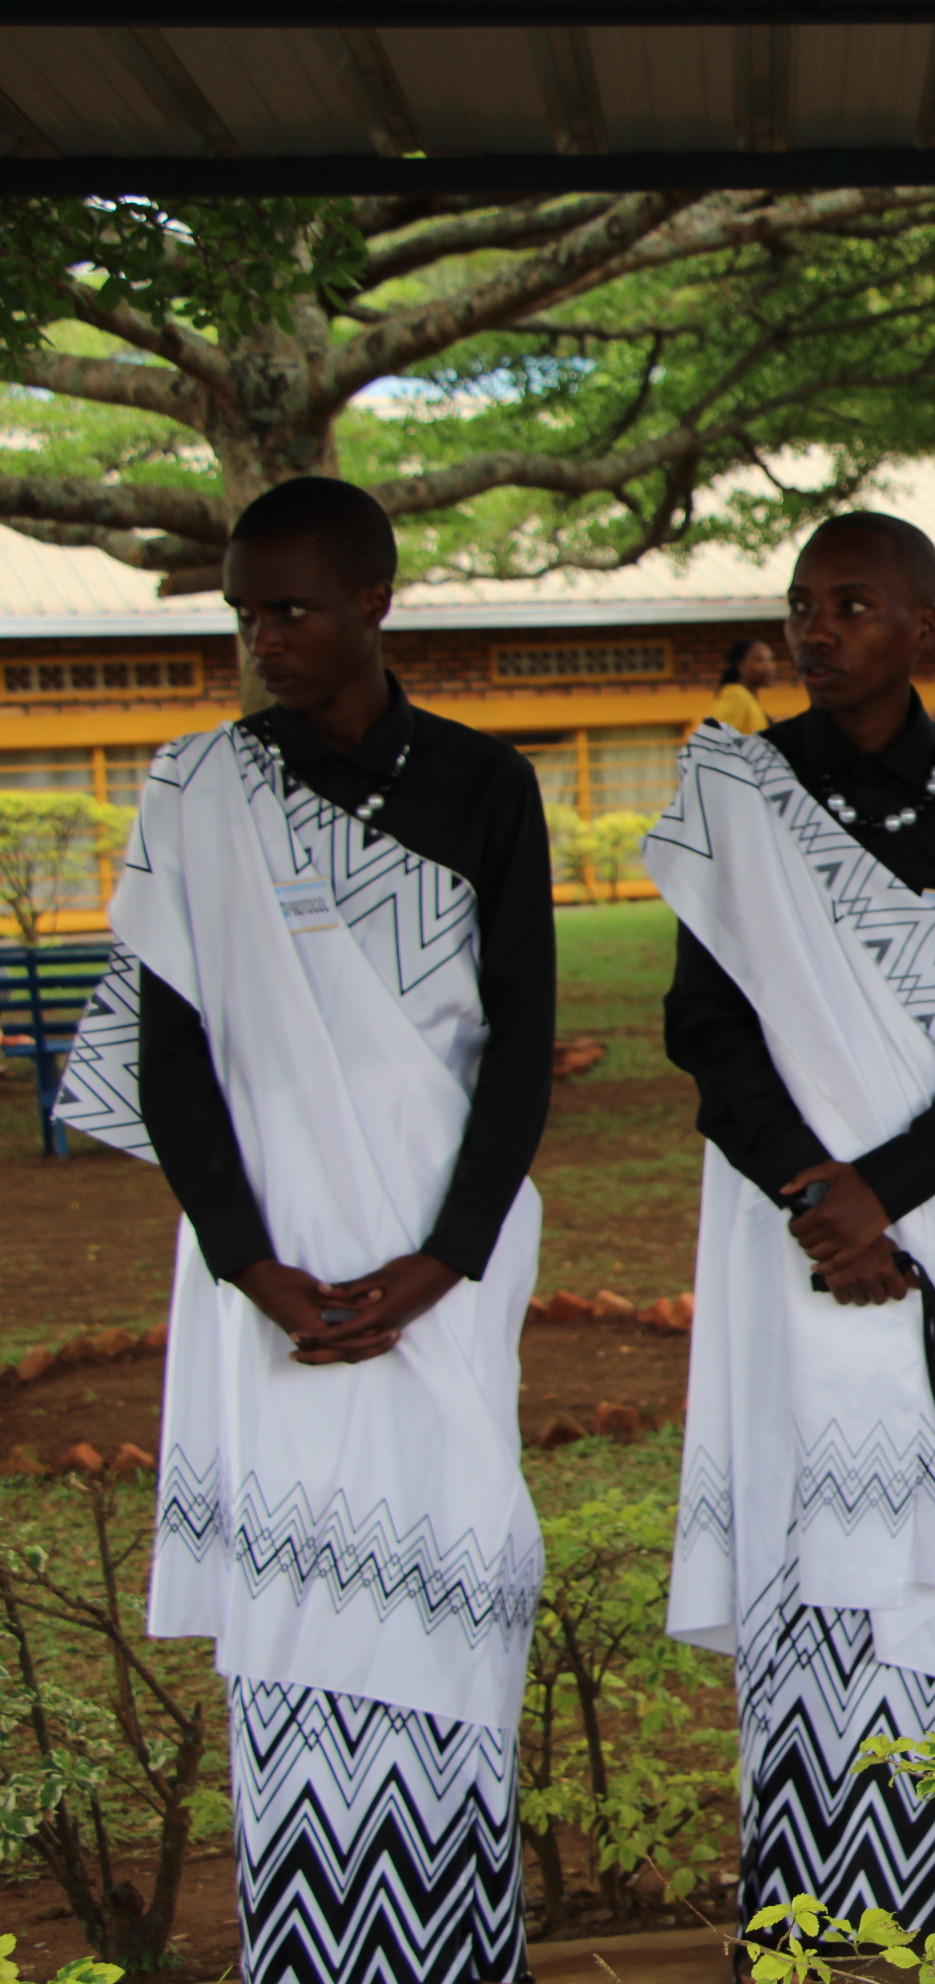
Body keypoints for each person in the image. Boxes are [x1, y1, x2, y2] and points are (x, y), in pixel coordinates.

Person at [50, 477, 554, 1984]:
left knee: (449, 1562)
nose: (264, 639)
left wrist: (440, 1263)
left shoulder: (483, 785)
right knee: (299, 1600)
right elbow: (170, 1061)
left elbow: (521, 1051)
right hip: (260, 1265)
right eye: (245, 614)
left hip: (442, 1256)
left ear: (373, 602)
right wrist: (251, 1264)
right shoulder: (197, 790)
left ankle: (454, 1941)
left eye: (292, 608)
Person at [653, 515, 935, 1939]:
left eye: (852, 604)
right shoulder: (740, 792)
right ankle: (813, 1910)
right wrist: (810, 1191)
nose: (817, 630)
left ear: (924, 628)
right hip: (787, 1230)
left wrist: (885, 1190)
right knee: (809, 1527)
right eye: (802, 606)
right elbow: (706, 1029)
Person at [713, 635, 779, 734]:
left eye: (771, 659)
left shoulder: (748, 698)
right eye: (759, 660)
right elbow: (719, 737)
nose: (769, 666)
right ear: (741, 665)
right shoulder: (735, 695)